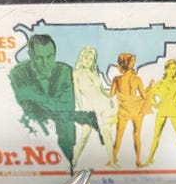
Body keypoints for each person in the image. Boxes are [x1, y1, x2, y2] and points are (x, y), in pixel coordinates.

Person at [9, 35, 102, 172]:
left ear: (55, 53)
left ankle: (70, 166)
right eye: (39, 58)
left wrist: (41, 103)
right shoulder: (18, 74)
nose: (45, 63)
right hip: (33, 137)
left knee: (66, 132)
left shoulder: (65, 71)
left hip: (64, 133)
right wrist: (77, 116)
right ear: (30, 54)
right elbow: (28, 107)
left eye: (50, 56)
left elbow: (66, 106)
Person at [145, 59, 176, 167]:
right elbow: (151, 94)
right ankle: (149, 159)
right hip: (162, 110)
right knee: (156, 136)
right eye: (170, 68)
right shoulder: (161, 83)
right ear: (166, 69)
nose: (172, 71)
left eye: (175, 69)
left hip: (174, 111)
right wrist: (155, 103)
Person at [72, 46, 117, 168]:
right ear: (82, 58)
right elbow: (77, 94)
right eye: (86, 58)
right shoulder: (76, 74)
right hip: (91, 107)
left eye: (91, 59)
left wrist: (110, 99)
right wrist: (81, 109)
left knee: (107, 133)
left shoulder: (95, 73)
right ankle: (73, 163)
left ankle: (112, 162)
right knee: (84, 137)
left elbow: (102, 90)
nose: (88, 61)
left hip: (104, 104)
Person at [110, 53, 153, 167]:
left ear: (121, 64)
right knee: (137, 135)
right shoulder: (137, 79)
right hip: (136, 110)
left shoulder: (117, 79)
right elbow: (144, 96)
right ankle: (138, 161)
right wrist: (149, 88)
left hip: (124, 110)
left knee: (119, 135)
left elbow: (111, 95)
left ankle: (113, 158)